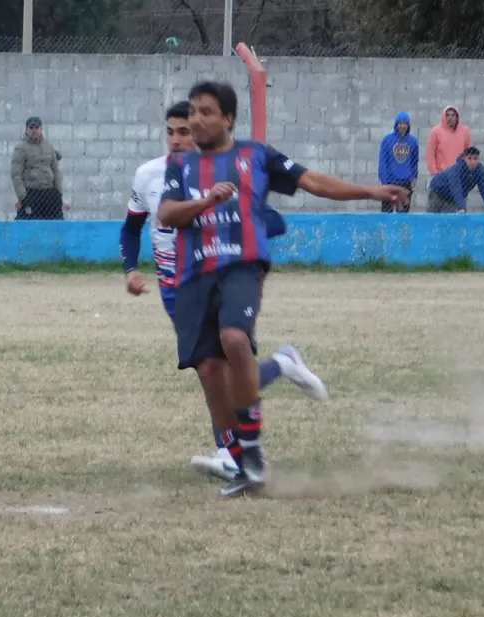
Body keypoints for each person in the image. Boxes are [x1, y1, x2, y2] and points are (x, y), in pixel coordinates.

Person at [157, 80, 409, 498]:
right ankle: (243, 465)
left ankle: (252, 453)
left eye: (205, 112)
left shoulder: (256, 156)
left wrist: (370, 191)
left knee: (235, 339)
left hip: (241, 266)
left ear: (228, 119)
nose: (196, 120)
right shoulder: (179, 167)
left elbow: (313, 181)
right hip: (192, 278)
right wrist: (205, 203)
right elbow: (166, 214)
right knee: (209, 373)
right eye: (193, 112)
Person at [120, 100, 328, 483]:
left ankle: (232, 452)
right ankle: (281, 367)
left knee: (225, 367)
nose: (178, 140)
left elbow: (269, 219)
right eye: (172, 132)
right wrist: (131, 270)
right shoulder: (148, 175)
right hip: (175, 288)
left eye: (185, 132)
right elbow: (131, 228)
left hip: (218, 277)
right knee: (209, 370)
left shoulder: (221, 172)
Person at [11, 116, 69, 220]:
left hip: (49, 194)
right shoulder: (20, 148)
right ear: (26, 129)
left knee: (57, 227)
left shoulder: (48, 146)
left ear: (41, 129)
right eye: (31, 127)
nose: (34, 130)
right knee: (25, 227)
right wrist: (23, 197)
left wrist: (59, 194)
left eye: (36, 127)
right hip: (31, 194)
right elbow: (16, 175)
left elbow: (56, 172)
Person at [427, 147, 484, 214]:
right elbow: (455, 187)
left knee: (452, 223)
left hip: (453, 198)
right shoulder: (457, 168)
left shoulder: (479, 170)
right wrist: (461, 207)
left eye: (475, 158)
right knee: (431, 220)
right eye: (469, 158)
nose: (473, 162)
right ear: (464, 158)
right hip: (437, 193)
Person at [377, 112, 418, 213]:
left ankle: (401, 228)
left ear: (408, 125)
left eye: (405, 123)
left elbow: (414, 161)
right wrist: (384, 181)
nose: (402, 126)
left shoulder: (412, 141)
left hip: (405, 182)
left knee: (403, 212)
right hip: (390, 181)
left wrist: (414, 176)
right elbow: (383, 161)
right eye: (400, 123)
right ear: (396, 124)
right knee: (387, 212)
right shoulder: (387, 140)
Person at [426, 105, 472, 177]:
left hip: (460, 175)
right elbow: (430, 155)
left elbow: (469, 153)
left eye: (453, 115)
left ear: (457, 117)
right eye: (447, 115)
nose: (450, 117)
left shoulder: (465, 131)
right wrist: (435, 174)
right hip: (443, 175)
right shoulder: (436, 131)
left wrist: (467, 172)